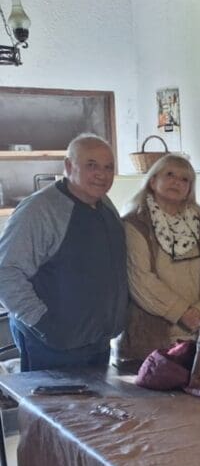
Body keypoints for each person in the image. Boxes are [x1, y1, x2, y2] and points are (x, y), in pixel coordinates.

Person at [0, 134, 127, 371]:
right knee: (53, 410)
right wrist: (44, 323)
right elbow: (6, 272)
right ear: (69, 166)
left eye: (108, 167)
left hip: (97, 342)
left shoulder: (105, 205)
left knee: (97, 408)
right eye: (91, 165)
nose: (102, 174)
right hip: (52, 346)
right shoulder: (39, 210)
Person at [115, 154, 200, 370]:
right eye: (170, 175)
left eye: (185, 179)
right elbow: (141, 279)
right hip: (152, 337)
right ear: (153, 180)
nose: (176, 182)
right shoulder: (135, 223)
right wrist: (183, 313)